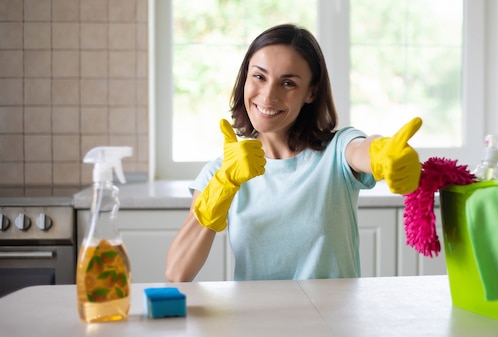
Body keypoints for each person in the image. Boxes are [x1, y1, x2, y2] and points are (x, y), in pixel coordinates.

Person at [165, 23, 422, 282]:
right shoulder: (222, 172)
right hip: (255, 319)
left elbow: (361, 150)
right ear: (245, 78)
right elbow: (177, 273)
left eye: (287, 83)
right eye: (259, 76)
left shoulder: (336, 153)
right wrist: (223, 184)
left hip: (333, 320)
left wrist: (383, 153)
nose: (268, 95)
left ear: (311, 92)